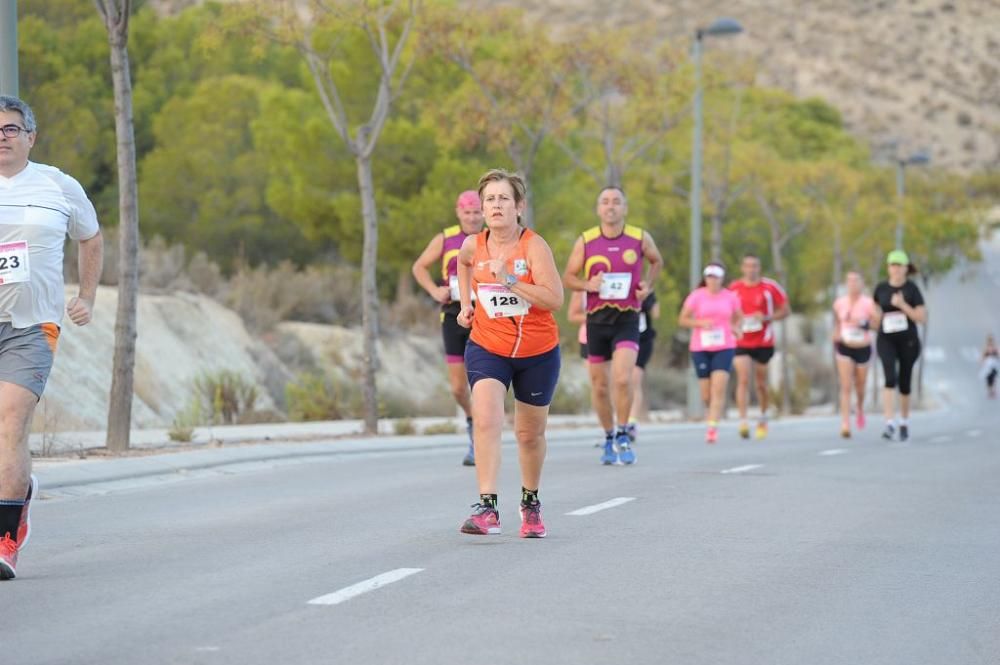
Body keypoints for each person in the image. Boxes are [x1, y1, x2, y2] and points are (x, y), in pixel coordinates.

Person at [0, 96, 103, 580]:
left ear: (30, 137)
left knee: (11, 424)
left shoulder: (58, 186)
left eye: (11, 129)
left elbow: (91, 236)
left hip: (32, 327)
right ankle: (18, 498)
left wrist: (86, 295)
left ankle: (4, 538)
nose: (2, 136)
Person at [455, 169, 563, 538]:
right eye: (489, 200)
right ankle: (488, 508)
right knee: (486, 418)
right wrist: (466, 302)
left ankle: (530, 503)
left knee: (529, 434)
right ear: (482, 209)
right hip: (488, 345)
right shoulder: (474, 244)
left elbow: (554, 299)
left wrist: (511, 281)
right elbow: (462, 263)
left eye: (503, 199)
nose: (496, 206)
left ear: (519, 207)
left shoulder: (534, 246)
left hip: (538, 351)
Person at [562, 186, 662, 465]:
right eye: (605, 202)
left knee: (622, 378)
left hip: (627, 317)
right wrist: (587, 284)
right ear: (598, 209)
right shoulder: (586, 241)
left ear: (624, 208)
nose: (611, 207)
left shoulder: (639, 238)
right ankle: (608, 436)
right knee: (600, 385)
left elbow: (656, 261)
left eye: (616, 202)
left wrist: (647, 286)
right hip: (596, 319)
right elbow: (568, 277)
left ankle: (622, 433)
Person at [412, 191, 485, 466]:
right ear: (458, 212)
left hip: (485, 313)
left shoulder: (491, 237)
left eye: (477, 212)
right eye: (467, 212)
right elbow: (419, 267)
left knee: (481, 380)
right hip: (453, 312)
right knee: (457, 387)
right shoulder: (445, 238)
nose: (473, 217)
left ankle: (480, 436)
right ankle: (471, 420)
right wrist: (434, 290)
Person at [678, 263, 743, 444]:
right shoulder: (696, 296)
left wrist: (736, 327)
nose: (713, 281)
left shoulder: (730, 297)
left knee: (718, 387)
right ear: (705, 278)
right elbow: (683, 319)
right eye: (709, 277)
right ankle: (711, 413)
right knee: (706, 393)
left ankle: (712, 427)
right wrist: (700, 324)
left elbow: (739, 315)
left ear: (722, 278)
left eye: (716, 277)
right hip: (701, 347)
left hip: (725, 346)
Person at [729, 254, 789, 440]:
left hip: (763, 340)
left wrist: (765, 318)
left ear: (759, 268)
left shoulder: (770, 287)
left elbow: (786, 310)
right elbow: (727, 313)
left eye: (754, 266)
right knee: (743, 379)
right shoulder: (734, 289)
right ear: (742, 268)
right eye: (747, 266)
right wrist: (734, 325)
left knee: (761, 383)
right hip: (741, 340)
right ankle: (743, 421)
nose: (751, 269)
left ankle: (763, 417)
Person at [872, 249, 926, 442]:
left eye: (899, 265)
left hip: (908, 341)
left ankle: (904, 421)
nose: (895, 269)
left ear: (905, 268)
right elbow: (874, 318)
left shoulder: (912, 289)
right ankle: (889, 423)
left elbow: (921, 318)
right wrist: (875, 319)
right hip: (886, 339)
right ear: (888, 268)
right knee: (889, 378)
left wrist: (903, 305)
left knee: (904, 382)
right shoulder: (880, 289)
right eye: (892, 265)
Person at [832, 272, 875, 438]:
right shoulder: (839, 303)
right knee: (845, 385)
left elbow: (877, 323)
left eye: (856, 281)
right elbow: (837, 323)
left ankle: (860, 407)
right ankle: (845, 423)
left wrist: (864, 324)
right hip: (845, 345)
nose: (853, 284)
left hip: (863, 346)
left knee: (860, 385)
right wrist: (835, 334)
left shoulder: (868, 303)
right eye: (849, 281)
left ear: (862, 284)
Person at [626, 292, 660, 442]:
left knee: (634, 380)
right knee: (619, 381)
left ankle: (632, 422)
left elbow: (656, 313)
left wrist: (644, 299)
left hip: (642, 339)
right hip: (620, 337)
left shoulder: (645, 290)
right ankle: (619, 420)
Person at [981, 335, 998, 399]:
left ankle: (993, 391)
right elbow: (982, 358)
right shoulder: (985, 349)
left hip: (994, 366)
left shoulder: (995, 348)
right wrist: (984, 363)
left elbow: (998, 356)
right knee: (988, 379)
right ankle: (990, 391)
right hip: (988, 367)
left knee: (993, 378)